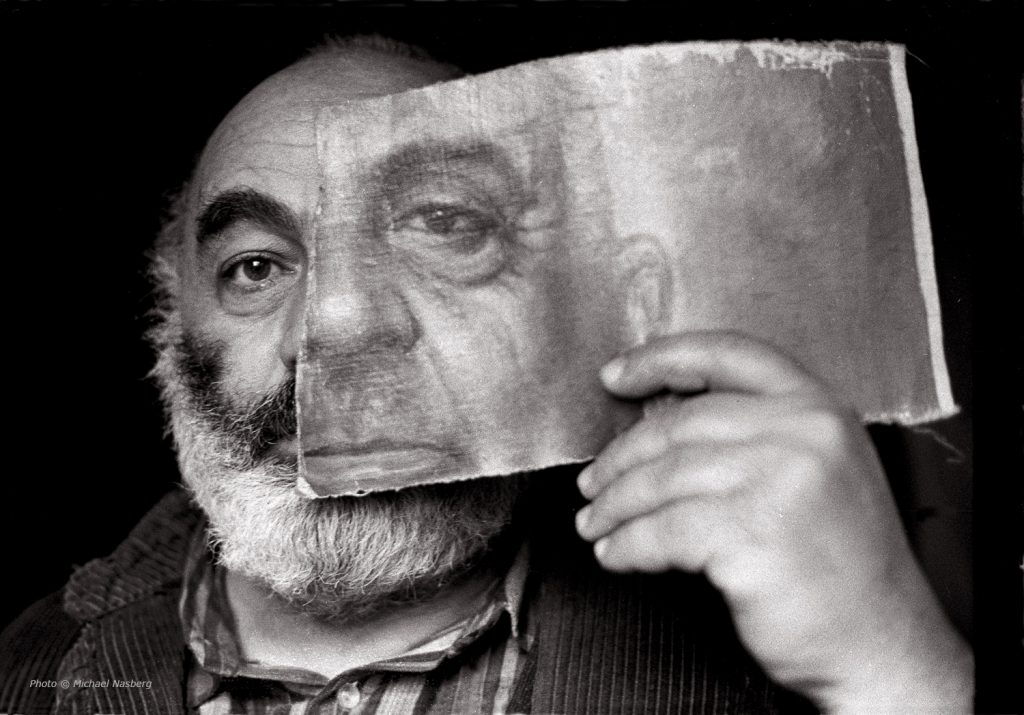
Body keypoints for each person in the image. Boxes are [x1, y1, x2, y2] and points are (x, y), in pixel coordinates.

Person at [0, 36, 972, 714]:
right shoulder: (20, 668)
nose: (335, 326)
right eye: (257, 266)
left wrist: (894, 670)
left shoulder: (784, 663)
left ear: (595, 307)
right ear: (173, 325)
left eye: (446, 228)